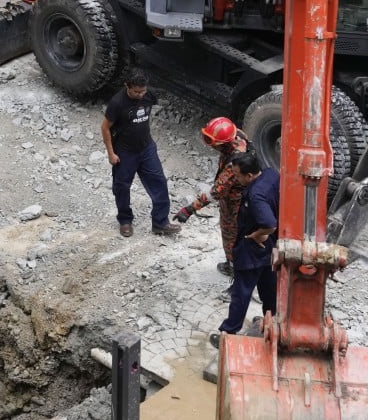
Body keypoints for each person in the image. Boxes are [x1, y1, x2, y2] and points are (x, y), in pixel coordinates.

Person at [210, 152, 279, 347]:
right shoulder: (271, 175)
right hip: (271, 246)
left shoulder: (255, 195)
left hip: (252, 248)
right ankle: (272, 321)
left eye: (239, 175)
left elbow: (269, 223)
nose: (236, 179)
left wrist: (257, 235)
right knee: (269, 287)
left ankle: (229, 331)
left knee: (241, 292)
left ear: (249, 176)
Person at [100, 68, 180, 237]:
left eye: (143, 91)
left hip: (146, 148)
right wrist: (111, 153)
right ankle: (125, 220)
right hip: (125, 152)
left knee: (159, 182)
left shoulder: (148, 95)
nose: (141, 95)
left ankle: (161, 222)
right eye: (136, 92)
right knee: (122, 187)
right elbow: (105, 127)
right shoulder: (117, 103)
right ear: (127, 86)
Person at [173, 116, 252, 276]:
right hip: (244, 196)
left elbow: (216, 192)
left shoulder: (233, 166)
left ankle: (234, 267)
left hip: (235, 202)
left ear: (224, 143)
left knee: (231, 233)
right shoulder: (239, 137)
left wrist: (189, 209)